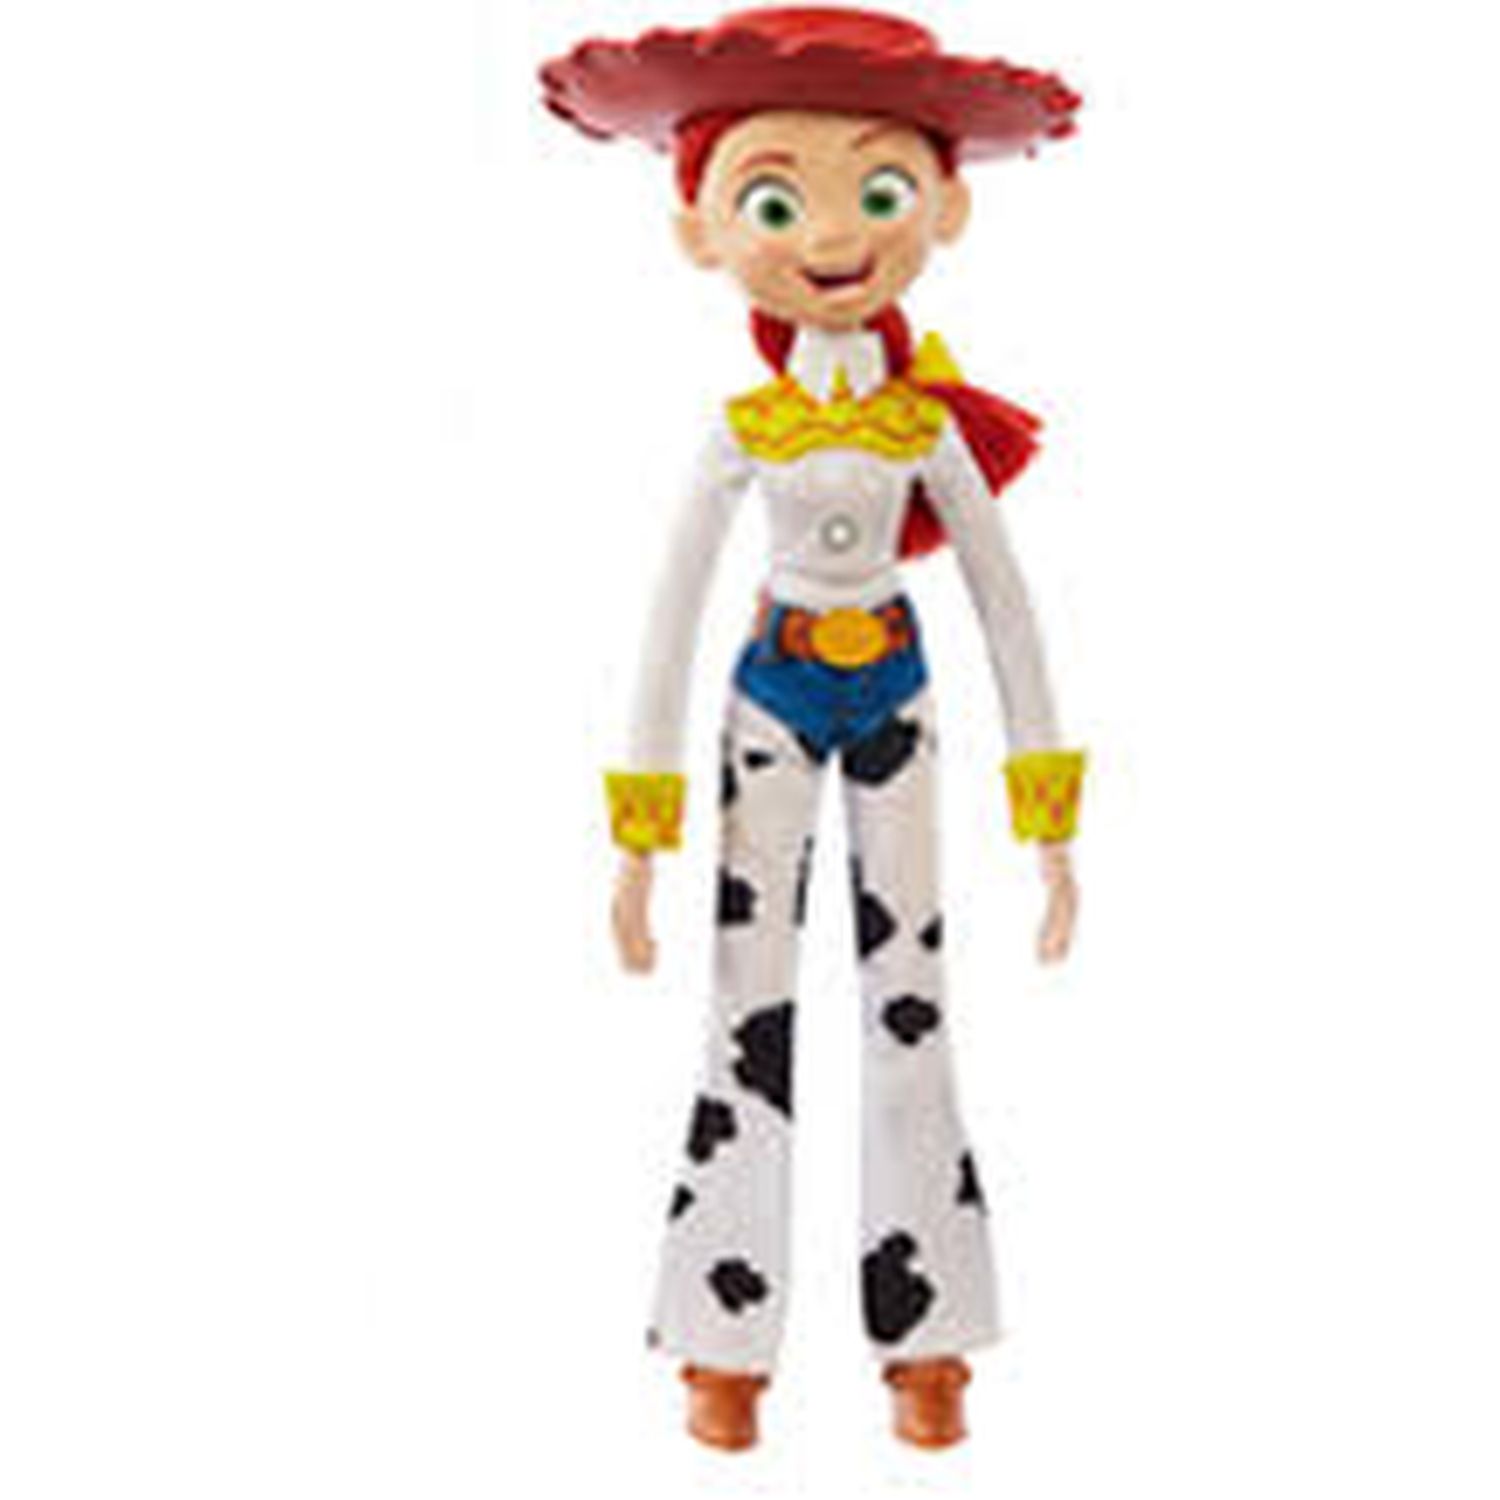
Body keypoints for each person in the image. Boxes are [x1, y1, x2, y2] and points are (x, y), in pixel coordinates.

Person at [541, 6, 1088, 1450]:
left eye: (880, 189)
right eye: (778, 201)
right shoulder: (743, 433)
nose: (835, 234)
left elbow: (1008, 607)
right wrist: (641, 837)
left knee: (913, 1001)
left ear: (943, 207)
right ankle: (719, 1337)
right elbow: (667, 625)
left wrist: (1047, 818)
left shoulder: (926, 432)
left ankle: (931, 1331)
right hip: (769, 704)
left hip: (896, 697)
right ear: (704, 232)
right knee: (748, 1005)